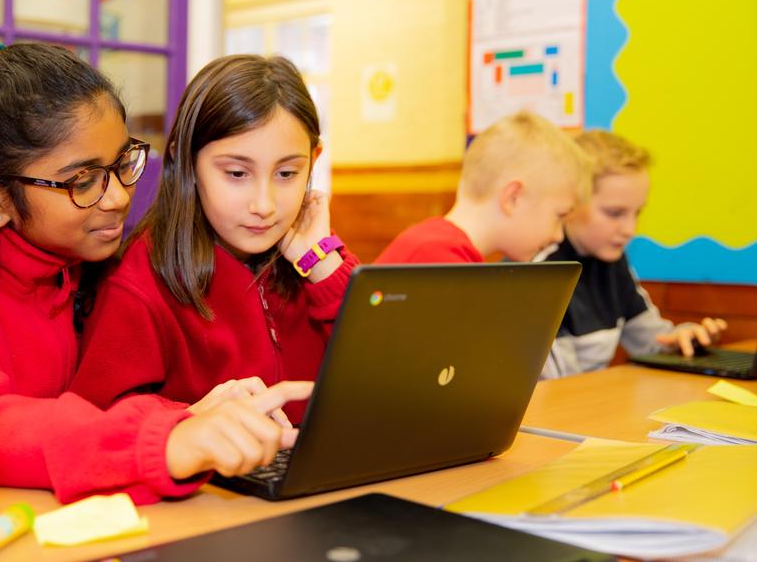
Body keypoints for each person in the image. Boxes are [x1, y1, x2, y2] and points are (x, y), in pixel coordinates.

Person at [0, 39, 312, 504]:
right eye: (82, 181)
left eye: (122, 164)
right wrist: (162, 441)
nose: (118, 197)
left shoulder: (73, 257)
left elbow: (82, 414)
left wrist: (185, 417)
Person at [70, 54, 359, 425]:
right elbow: (97, 423)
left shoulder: (315, 254)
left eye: (287, 173)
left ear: (313, 161)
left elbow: (392, 377)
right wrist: (189, 419)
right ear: (187, 161)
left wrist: (323, 266)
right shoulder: (139, 282)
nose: (264, 205)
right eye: (237, 173)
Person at [539, 130, 727, 378]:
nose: (630, 230)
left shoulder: (612, 261)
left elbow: (651, 340)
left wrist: (683, 338)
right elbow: (558, 384)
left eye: (637, 213)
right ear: (570, 202)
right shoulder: (541, 274)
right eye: (614, 213)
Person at [375, 110, 590, 264]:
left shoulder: (445, 252)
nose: (558, 236)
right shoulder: (439, 262)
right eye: (559, 216)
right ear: (513, 198)